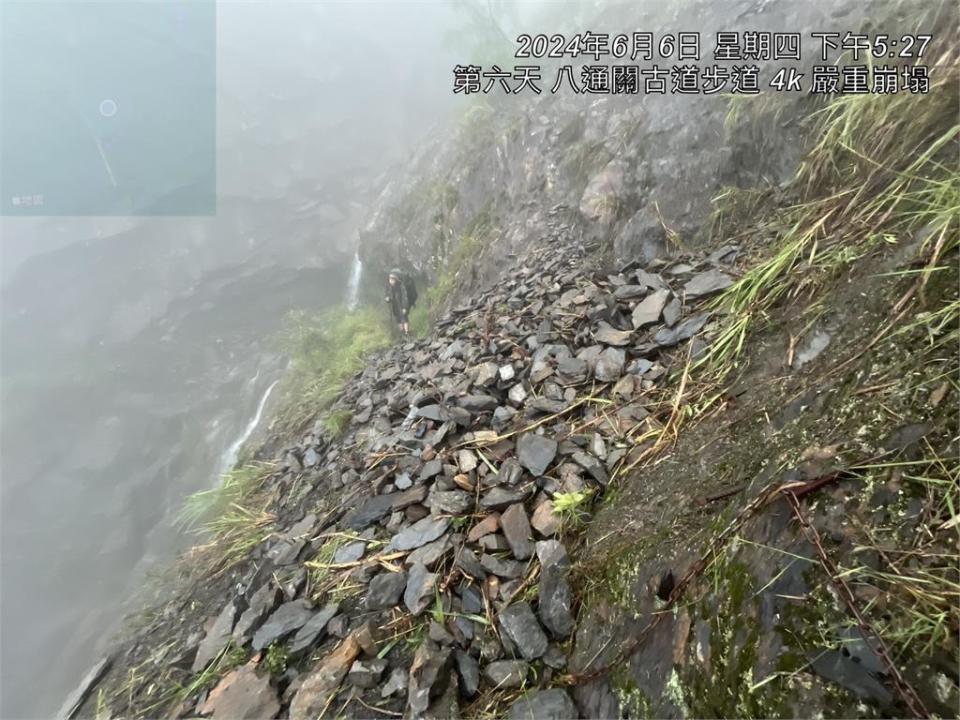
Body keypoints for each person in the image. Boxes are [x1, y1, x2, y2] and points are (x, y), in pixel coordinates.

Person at [385, 268, 411, 335]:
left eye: (392, 279)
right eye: (390, 279)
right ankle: (402, 332)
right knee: (398, 319)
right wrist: (388, 299)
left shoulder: (401, 287)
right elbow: (389, 296)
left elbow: (405, 297)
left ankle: (407, 332)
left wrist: (405, 307)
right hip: (395, 306)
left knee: (405, 317)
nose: (390, 281)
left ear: (396, 279)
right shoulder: (390, 287)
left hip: (402, 305)